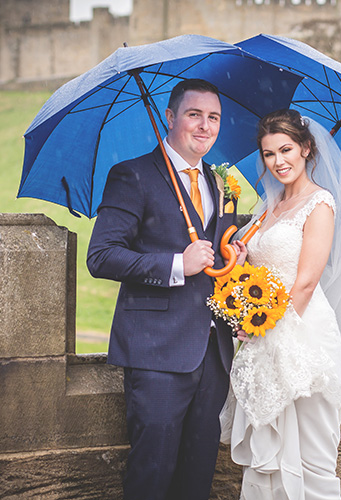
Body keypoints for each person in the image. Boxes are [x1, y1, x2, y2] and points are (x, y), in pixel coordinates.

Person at [87, 78, 244, 500]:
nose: (205, 126)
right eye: (194, 115)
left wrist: (235, 259)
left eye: (213, 118)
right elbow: (101, 256)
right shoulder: (133, 175)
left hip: (213, 353)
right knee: (151, 475)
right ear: (171, 117)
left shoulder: (222, 182)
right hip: (156, 353)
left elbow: (221, 259)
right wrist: (178, 264)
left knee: (197, 476)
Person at [220, 109, 341, 499]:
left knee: (310, 453)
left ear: (306, 149)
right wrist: (242, 256)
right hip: (263, 335)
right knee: (269, 453)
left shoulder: (321, 204)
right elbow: (258, 269)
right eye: (268, 154)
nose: (278, 161)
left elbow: (307, 280)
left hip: (300, 335)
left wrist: (264, 324)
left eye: (286, 150)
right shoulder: (270, 206)